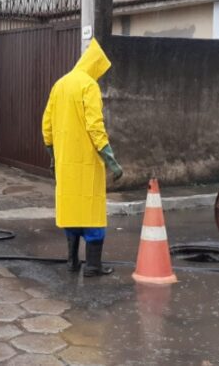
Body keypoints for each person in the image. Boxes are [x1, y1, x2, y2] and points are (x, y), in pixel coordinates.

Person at [42, 38, 123, 277]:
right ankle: (93, 266)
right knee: (91, 210)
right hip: (87, 163)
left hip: (66, 163)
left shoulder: (60, 84)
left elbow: (46, 125)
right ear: (94, 65)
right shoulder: (89, 86)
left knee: (71, 209)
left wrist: (53, 155)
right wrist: (111, 160)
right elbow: (95, 127)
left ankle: (72, 262)